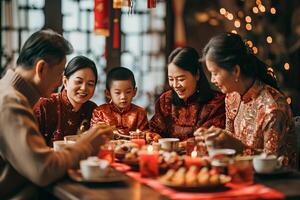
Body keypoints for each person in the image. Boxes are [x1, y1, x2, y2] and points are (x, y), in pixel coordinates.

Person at [0, 29, 112, 199]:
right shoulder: (11, 102)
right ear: (42, 68)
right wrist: (86, 144)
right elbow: (43, 170)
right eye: (60, 74)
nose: (61, 81)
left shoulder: (8, 91)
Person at [199, 32, 297, 168]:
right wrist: (215, 136)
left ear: (236, 71)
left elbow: (274, 164)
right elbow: (230, 138)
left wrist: (237, 147)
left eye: (215, 73)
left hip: (277, 184)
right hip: (241, 172)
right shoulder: (232, 96)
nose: (212, 80)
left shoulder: (272, 108)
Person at [149, 47, 225, 142]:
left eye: (181, 79)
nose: (175, 85)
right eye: (171, 79)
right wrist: (153, 136)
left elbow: (210, 138)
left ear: (197, 75)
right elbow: (154, 129)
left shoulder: (217, 102)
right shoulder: (166, 100)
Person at [34, 56, 98, 146]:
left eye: (90, 84)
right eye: (79, 82)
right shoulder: (45, 105)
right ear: (65, 82)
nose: (84, 88)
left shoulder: (93, 110)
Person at [90, 67, 149, 136]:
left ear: (134, 92)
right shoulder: (100, 112)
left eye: (128, 92)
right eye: (118, 93)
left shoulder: (140, 113)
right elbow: (94, 135)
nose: (123, 97)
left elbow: (146, 134)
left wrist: (143, 135)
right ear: (108, 93)